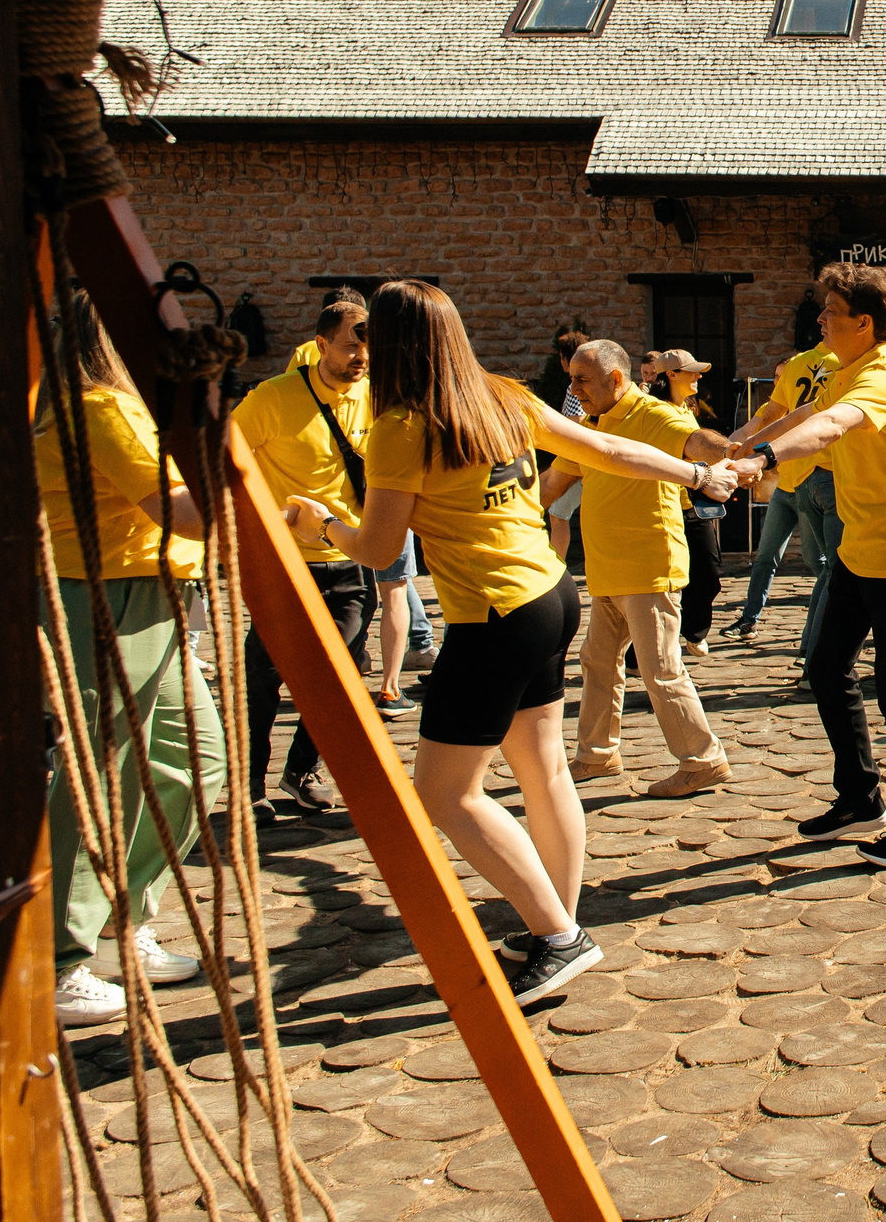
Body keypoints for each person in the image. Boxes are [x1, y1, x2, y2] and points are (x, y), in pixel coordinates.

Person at [283, 281, 740, 1002]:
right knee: (543, 770)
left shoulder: (403, 424)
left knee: (443, 793)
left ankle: (558, 936)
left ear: (398, 345)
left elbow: (375, 549)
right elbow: (606, 446)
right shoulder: (502, 395)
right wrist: (697, 474)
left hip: (495, 616)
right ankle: (553, 924)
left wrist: (319, 527)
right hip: (550, 597)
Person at [717, 263, 886, 868]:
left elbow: (827, 427)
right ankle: (861, 798)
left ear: (864, 323)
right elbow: (800, 414)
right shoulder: (843, 370)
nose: (819, 318)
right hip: (860, 549)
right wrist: (735, 446)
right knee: (827, 669)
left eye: (830, 310)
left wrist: (762, 462)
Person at [36, 288, 227, 1025]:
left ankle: (123, 912)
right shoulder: (100, 408)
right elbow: (179, 508)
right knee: (100, 772)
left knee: (195, 758)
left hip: (143, 593)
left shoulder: (96, 407)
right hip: (110, 593)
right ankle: (61, 955)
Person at [539, 340, 737, 792]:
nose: (574, 388)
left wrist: (735, 455)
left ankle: (703, 759)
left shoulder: (652, 414)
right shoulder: (589, 425)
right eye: (571, 378)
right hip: (608, 570)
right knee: (598, 663)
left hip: (649, 565)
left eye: (581, 379)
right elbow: (551, 483)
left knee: (660, 669)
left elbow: (697, 440)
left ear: (615, 380)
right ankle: (597, 756)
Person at [234, 289, 373, 821]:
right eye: (348, 348)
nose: (359, 358)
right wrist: (268, 522)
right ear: (320, 346)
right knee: (267, 678)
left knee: (339, 679)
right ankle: (250, 785)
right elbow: (222, 459)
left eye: (366, 349)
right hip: (285, 565)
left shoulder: (374, 395)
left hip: (349, 560)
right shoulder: (271, 399)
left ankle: (301, 771)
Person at [724, 336, 841, 653]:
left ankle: (832, 615)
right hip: (785, 491)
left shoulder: (797, 404)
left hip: (808, 484)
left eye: (780, 378)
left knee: (819, 563)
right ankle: (750, 619)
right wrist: (725, 453)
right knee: (765, 557)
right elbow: (750, 430)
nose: (778, 383)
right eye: (775, 379)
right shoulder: (774, 409)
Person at [658, 349, 727, 650]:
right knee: (663, 586)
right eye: (691, 371)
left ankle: (694, 632)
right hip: (663, 508)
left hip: (691, 506)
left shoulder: (688, 409)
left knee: (709, 574)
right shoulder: (656, 413)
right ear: (671, 375)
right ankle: (640, 655)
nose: (698, 376)